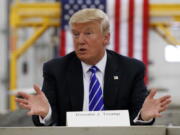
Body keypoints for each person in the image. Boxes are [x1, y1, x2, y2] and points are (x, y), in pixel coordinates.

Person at [16, 8, 171, 126]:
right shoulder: (56, 69)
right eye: (76, 34)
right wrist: (46, 113)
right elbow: (50, 118)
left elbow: (139, 116)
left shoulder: (130, 69)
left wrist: (144, 116)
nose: (80, 41)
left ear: (106, 38)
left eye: (88, 33)